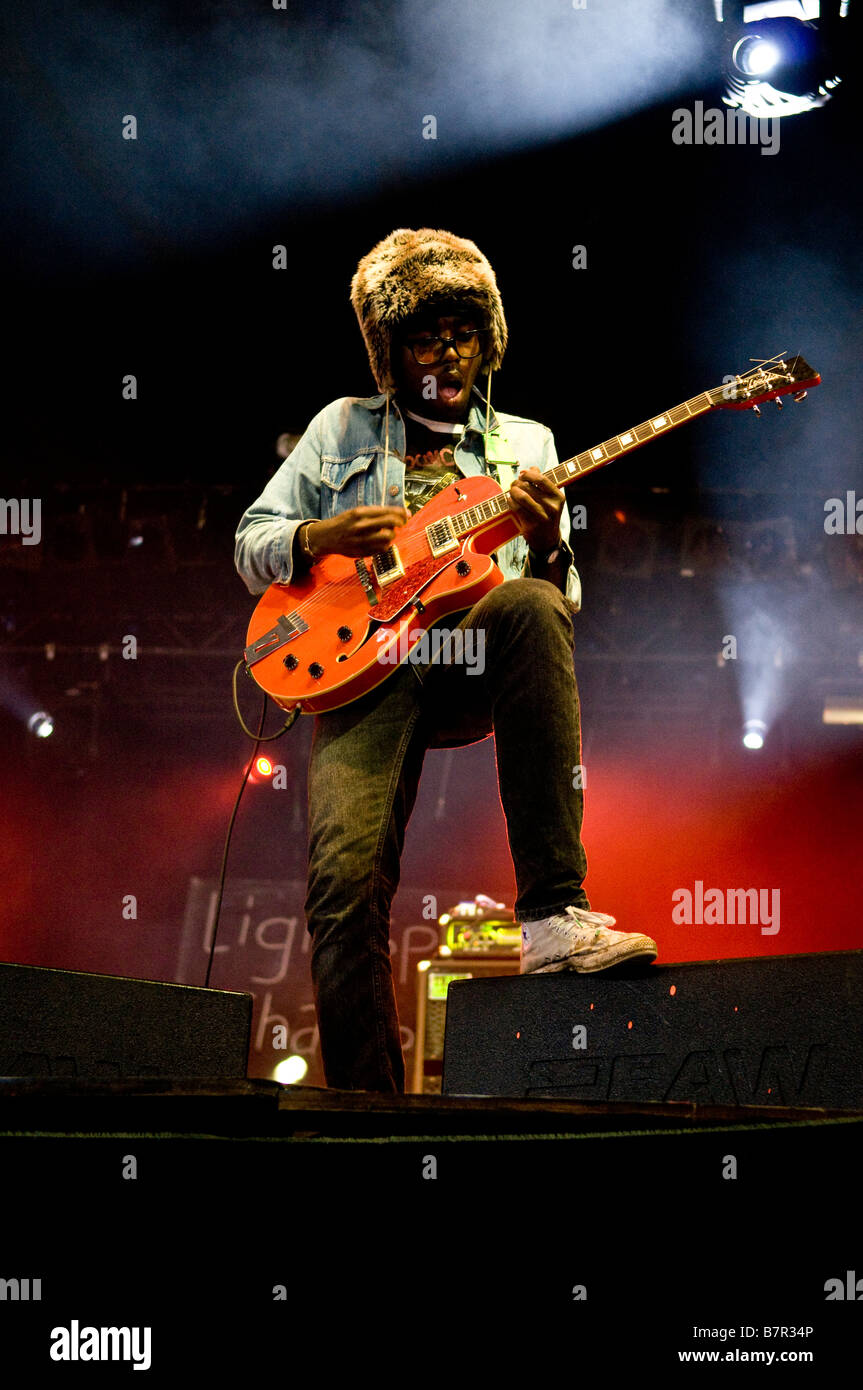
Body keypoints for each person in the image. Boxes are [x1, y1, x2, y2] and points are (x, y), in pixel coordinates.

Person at [235, 227, 657, 1092]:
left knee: (535, 604)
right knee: (341, 890)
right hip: (360, 665)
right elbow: (251, 543)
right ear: (391, 350)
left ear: (486, 342)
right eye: (424, 335)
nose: (446, 351)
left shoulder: (529, 445)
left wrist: (544, 544)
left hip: (469, 649)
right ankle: (368, 1109)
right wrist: (317, 534)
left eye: (463, 332)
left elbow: (557, 607)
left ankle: (551, 914)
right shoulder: (338, 427)